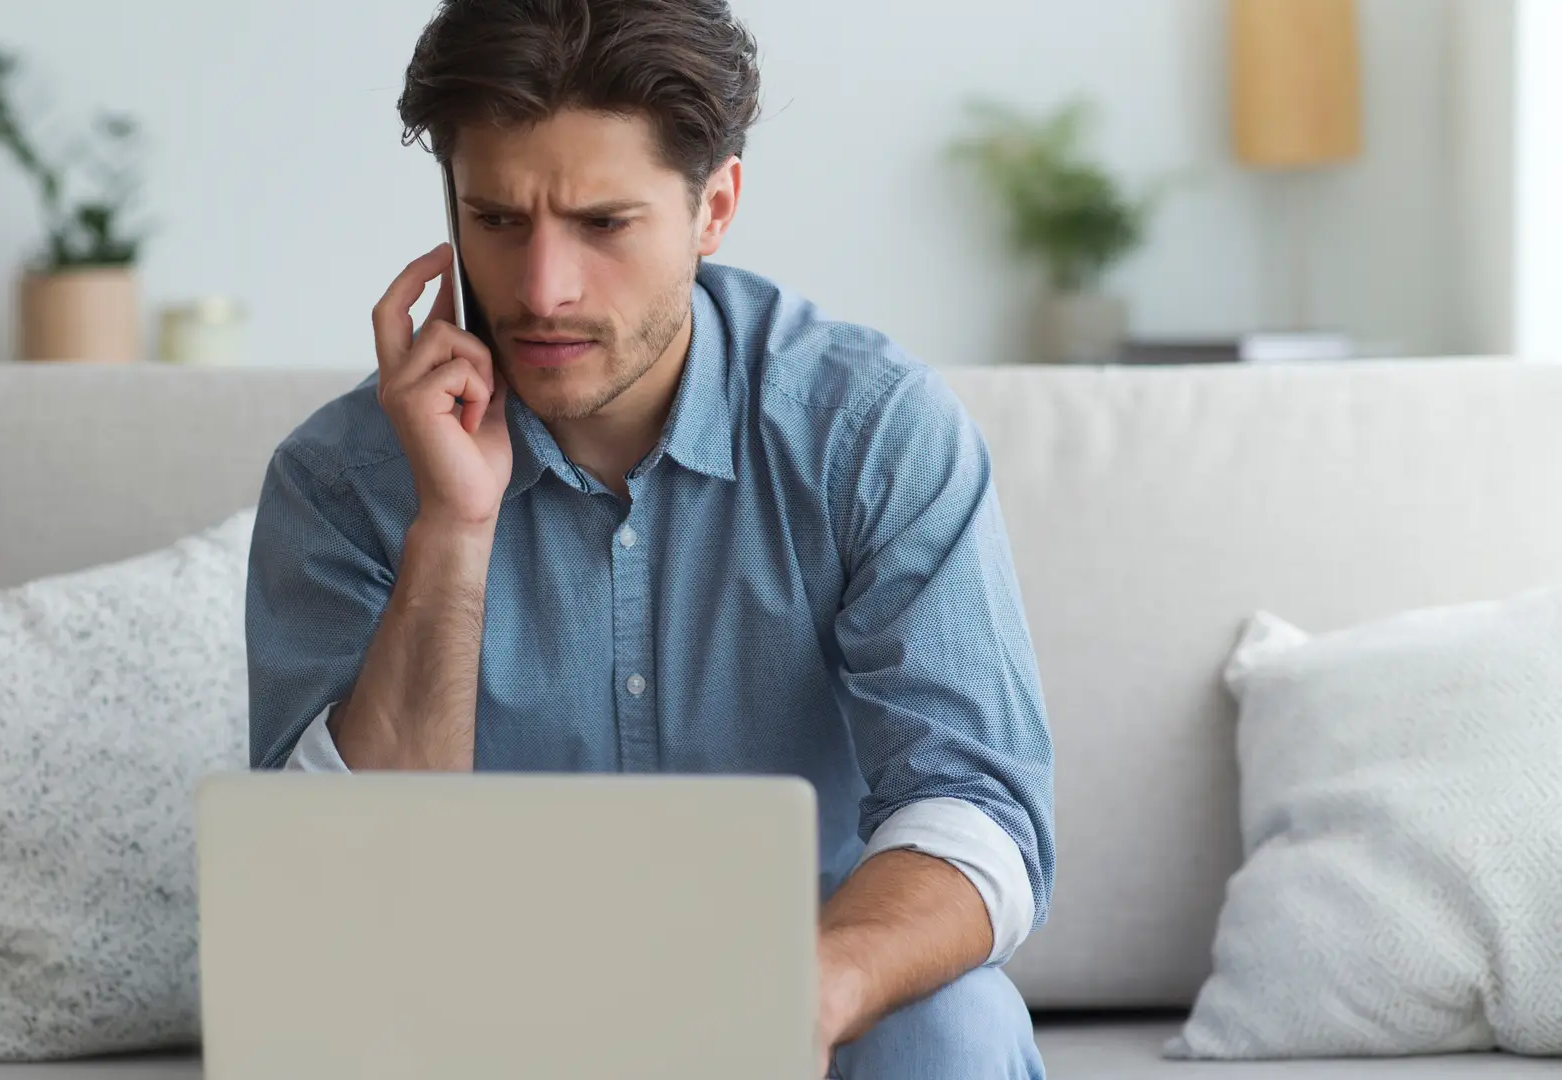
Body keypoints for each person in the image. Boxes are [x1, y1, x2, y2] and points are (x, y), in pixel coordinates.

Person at [245, 1, 1055, 1075]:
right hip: (476, 1026)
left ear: (713, 205)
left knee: (960, 1023)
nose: (542, 292)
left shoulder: (869, 435)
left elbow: (978, 808)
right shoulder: (344, 479)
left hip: (797, 1003)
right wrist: (452, 527)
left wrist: (817, 989)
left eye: (603, 225)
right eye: (496, 221)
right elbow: (327, 902)